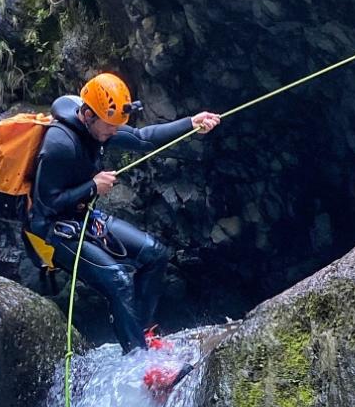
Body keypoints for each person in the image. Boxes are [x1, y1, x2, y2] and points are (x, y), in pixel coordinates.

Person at [30, 72, 220, 353]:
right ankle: (137, 359)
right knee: (118, 280)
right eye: (109, 128)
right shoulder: (60, 145)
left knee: (156, 254)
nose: (113, 134)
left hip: (82, 217)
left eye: (116, 127)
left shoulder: (99, 128)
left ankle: (143, 334)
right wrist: (92, 186)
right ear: (87, 114)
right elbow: (46, 204)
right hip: (51, 232)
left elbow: (143, 138)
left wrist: (191, 123)